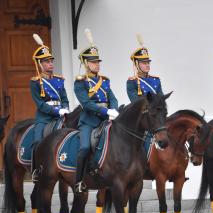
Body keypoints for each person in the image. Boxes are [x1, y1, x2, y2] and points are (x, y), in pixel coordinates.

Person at [73, 29, 119, 193]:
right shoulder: (80, 82)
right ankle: (78, 181)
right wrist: (105, 111)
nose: (97, 64)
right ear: (86, 63)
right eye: (93, 62)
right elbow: (86, 104)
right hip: (89, 122)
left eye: (98, 61)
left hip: (107, 120)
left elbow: (112, 98)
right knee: (85, 148)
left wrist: (114, 110)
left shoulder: (104, 81)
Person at [30, 34, 69, 181]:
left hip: (61, 115)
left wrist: (65, 108)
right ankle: (35, 171)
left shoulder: (59, 80)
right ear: (40, 64)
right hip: (44, 118)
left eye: (51, 61)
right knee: (37, 141)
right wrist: (56, 110)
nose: (51, 64)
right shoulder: (35, 82)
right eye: (47, 61)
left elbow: (64, 98)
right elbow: (39, 104)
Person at [127, 34, 163, 102]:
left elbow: (161, 99)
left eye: (148, 63)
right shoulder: (132, 82)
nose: (147, 65)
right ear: (137, 64)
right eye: (144, 63)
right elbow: (136, 103)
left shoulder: (156, 80)